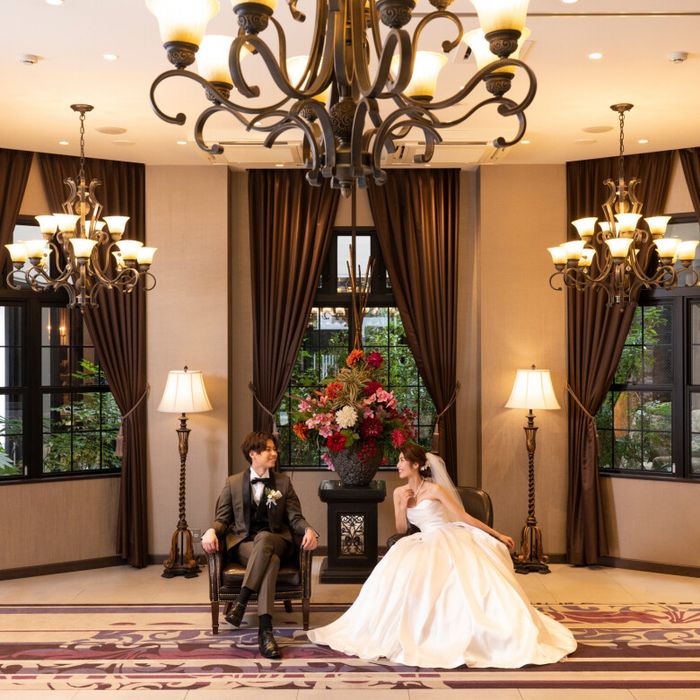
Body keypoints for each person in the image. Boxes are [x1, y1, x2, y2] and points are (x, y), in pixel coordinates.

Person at [307, 442, 577, 669]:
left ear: (416, 465)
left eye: (401, 461)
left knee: (461, 584)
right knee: (398, 576)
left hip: (447, 536)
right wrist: (402, 504)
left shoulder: (435, 489)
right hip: (421, 538)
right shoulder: (399, 492)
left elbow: (464, 517)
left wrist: (497, 534)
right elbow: (401, 529)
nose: (397, 465)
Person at [202, 431, 318, 659]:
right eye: (268, 449)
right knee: (270, 561)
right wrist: (211, 530)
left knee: (265, 538)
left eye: (275, 449)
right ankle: (265, 631)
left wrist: (308, 529)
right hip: (245, 544)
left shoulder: (283, 482)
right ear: (253, 454)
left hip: (277, 540)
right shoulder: (233, 483)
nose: (274, 453)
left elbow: (295, 517)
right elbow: (222, 518)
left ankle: (242, 600)